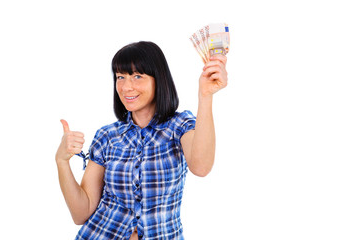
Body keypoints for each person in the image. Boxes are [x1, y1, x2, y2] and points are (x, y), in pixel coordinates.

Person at [55, 41, 228, 240]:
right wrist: (62, 161)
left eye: (137, 76)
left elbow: (201, 167)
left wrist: (205, 96)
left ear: (158, 79)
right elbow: (81, 212)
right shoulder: (107, 136)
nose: (126, 87)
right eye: (120, 77)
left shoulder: (179, 126)